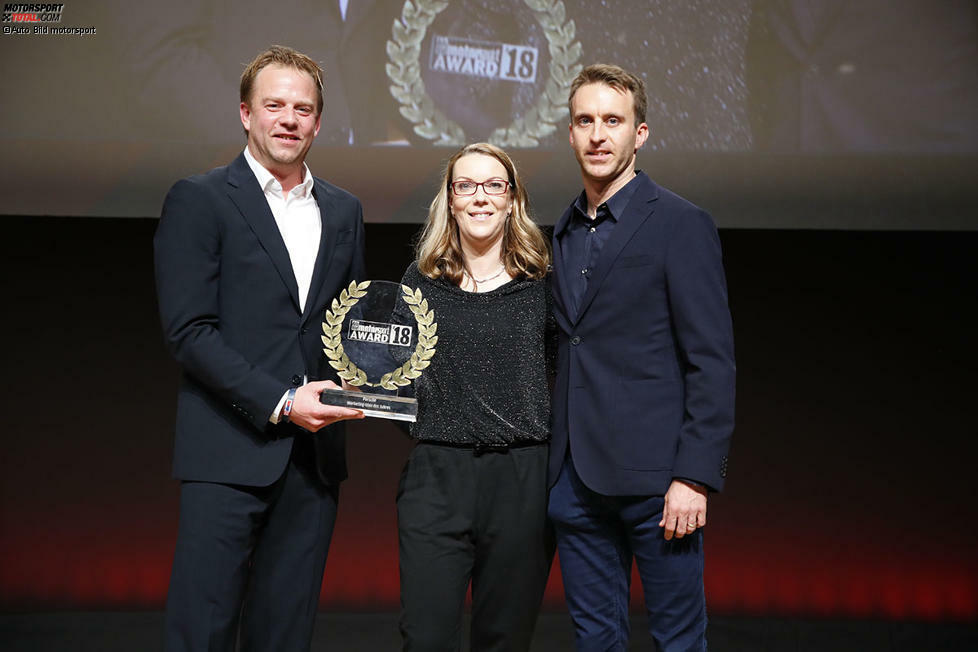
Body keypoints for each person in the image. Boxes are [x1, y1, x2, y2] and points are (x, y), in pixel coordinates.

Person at [153, 45, 366, 652]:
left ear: (319, 122)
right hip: (228, 450)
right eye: (274, 105)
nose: (289, 119)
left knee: (285, 635)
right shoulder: (200, 199)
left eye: (303, 108)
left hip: (313, 462)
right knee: (204, 630)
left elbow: (346, 329)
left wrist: (378, 380)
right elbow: (188, 332)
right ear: (245, 114)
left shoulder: (344, 210)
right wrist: (280, 400)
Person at [547, 64, 736, 650]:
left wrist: (694, 476)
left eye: (613, 120)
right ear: (570, 134)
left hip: (660, 487)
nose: (598, 134)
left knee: (679, 640)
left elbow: (712, 360)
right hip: (576, 483)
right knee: (594, 640)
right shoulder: (561, 231)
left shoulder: (681, 224)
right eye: (585, 121)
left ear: (641, 133)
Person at [396, 143, 555, 651]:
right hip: (437, 477)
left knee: (504, 639)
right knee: (426, 638)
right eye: (466, 186)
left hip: (522, 480)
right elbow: (394, 378)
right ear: (450, 199)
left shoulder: (542, 282)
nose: (480, 197)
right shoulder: (420, 282)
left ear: (512, 200)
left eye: (494, 186)